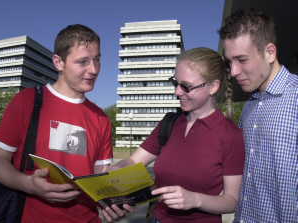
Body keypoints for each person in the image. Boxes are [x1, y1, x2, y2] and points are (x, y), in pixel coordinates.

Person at [0, 24, 120, 223]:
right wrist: (28, 184)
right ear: (58, 62)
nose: (94, 69)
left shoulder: (101, 118)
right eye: (83, 61)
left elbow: (101, 175)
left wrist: (113, 200)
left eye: (97, 59)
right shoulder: (27, 100)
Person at [103, 47, 245, 223]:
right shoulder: (169, 123)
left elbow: (232, 201)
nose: (177, 92)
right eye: (175, 83)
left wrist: (196, 200)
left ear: (213, 87)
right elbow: (133, 161)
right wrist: (118, 170)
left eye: (186, 86)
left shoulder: (231, 135)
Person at [219, 9, 298, 222]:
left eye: (241, 59)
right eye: (230, 62)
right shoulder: (249, 108)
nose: (233, 72)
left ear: (270, 52)